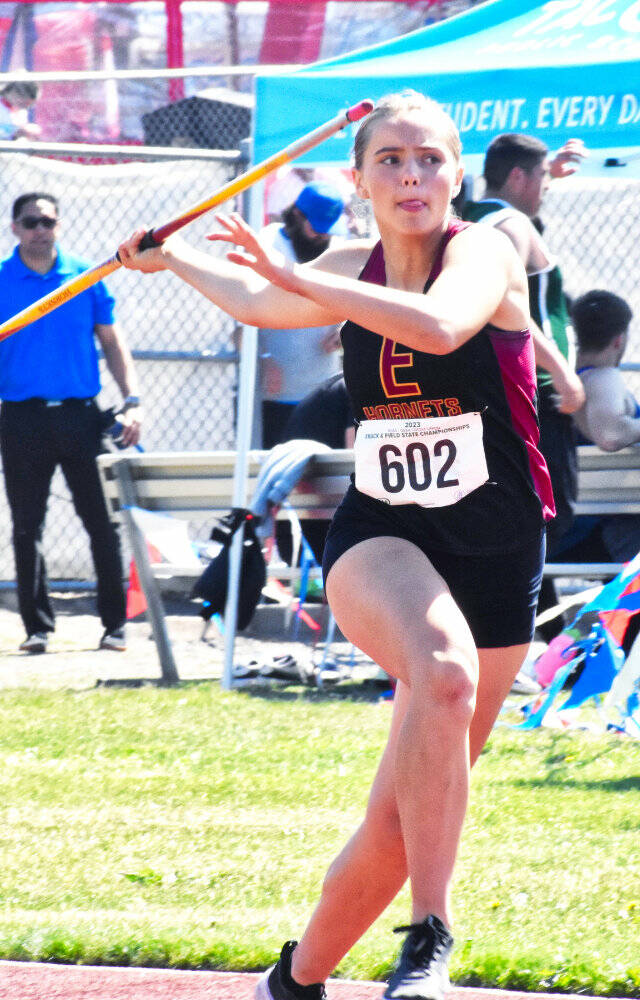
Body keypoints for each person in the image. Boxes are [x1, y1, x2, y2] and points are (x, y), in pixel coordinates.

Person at [118, 90, 553, 1000]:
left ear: (457, 173)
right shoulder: (350, 259)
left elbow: (436, 326)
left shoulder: (485, 251)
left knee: (401, 817)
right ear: (359, 180)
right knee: (440, 671)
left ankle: (298, 977)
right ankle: (429, 937)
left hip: (498, 547)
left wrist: (305, 280)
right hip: (383, 535)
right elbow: (255, 298)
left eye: (430, 158)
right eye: (390, 160)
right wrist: (178, 258)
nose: (412, 175)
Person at [0, 192, 142, 654]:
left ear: (58, 225)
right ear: (15, 228)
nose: (40, 229)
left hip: (82, 417)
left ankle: (114, 627)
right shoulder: (2, 279)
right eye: (31, 222)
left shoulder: (86, 274)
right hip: (22, 418)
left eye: (48, 221)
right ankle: (37, 629)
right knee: (27, 526)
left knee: (102, 523)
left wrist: (133, 400)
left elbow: (112, 341)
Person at [462, 132, 586, 640]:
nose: (544, 190)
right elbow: (506, 303)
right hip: (531, 390)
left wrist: (549, 172)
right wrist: (562, 371)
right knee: (547, 516)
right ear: (518, 177)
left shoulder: (475, 213)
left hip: (502, 389)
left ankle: (527, 633)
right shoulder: (509, 226)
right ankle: (499, 631)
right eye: (539, 180)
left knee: (522, 516)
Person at [552, 289, 640, 565]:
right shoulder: (604, 379)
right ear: (619, 340)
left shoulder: (558, 378)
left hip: (567, 523)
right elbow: (610, 436)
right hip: (606, 530)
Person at [258, 180, 346, 448]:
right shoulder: (266, 244)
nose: (322, 236)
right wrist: (263, 359)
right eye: (315, 229)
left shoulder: (339, 245)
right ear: (297, 215)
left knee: (328, 481)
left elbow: (356, 301)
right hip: (275, 392)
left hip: (323, 391)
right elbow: (240, 322)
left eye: (326, 231)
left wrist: (345, 330)